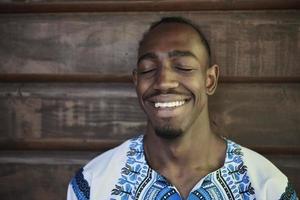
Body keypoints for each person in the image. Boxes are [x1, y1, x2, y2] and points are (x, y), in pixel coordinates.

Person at [67, 17, 298, 200]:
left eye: (184, 67)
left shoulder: (267, 188)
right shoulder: (93, 186)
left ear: (210, 80)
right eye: (148, 70)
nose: (164, 82)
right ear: (136, 82)